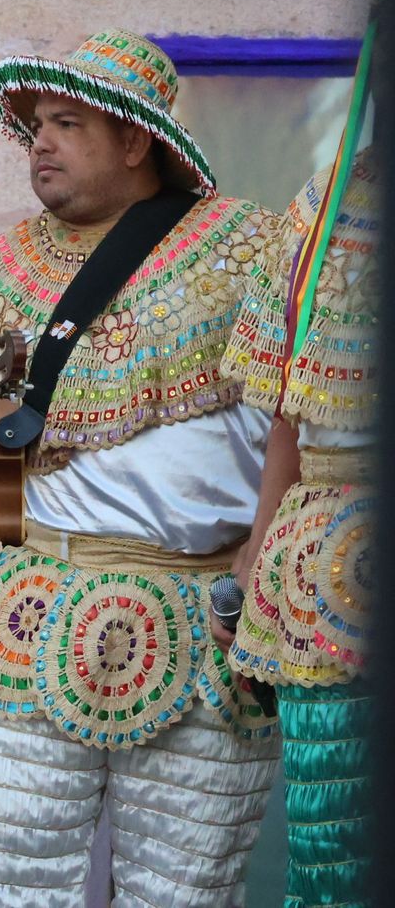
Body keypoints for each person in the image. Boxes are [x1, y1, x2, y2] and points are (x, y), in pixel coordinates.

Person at [0, 31, 282, 906]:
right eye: (33, 127)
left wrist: (259, 570)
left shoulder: (253, 246)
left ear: (136, 141)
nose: (39, 143)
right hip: (29, 613)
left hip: (205, 620)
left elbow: (304, 410)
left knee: (184, 895)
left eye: (64, 123)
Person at [218, 144, 378, 906]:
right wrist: (254, 564)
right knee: (329, 852)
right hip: (325, 569)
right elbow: (291, 404)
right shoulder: (325, 199)